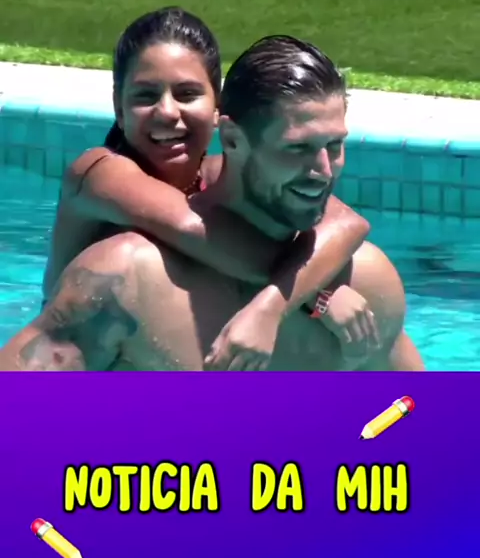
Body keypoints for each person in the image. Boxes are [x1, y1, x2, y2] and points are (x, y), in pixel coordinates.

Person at [0, 35, 424, 372]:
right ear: (233, 139)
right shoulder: (123, 271)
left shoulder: (367, 281)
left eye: (334, 145)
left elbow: (418, 421)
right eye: (296, 148)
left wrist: (290, 300)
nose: (323, 171)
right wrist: (300, 297)